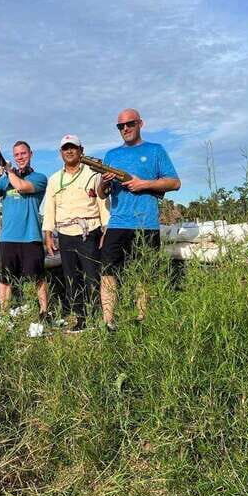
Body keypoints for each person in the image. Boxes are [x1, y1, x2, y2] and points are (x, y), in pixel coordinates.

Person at [97, 109, 181, 330]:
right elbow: (101, 193)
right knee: (107, 272)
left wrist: (143, 184)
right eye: (120, 126)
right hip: (117, 223)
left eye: (130, 124)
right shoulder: (111, 155)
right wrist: (105, 182)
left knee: (144, 275)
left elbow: (174, 182)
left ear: (140, 123)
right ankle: (109, 323)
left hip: (146, 224)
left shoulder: (155, 151)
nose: (125, 128)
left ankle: (142, 320)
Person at [42, 134, 110, 333]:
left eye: (73, 147)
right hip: (64, 232)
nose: (69, 151)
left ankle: (97, 314)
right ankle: (80, 317)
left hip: (89, 231)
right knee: (71, 276)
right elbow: (50, 208)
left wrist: (105, 228)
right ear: (61, 153)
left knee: (91, 275)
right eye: (65, 148)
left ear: (81, 150)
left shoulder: (93, 173)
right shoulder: (55, 179)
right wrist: (48, 233)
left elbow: (102, 202)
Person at [0, 140, 50, 319]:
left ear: (31, 154)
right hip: (7, 237)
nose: (20, 157)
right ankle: (4, 315)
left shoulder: (39, 178)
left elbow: (21, 186)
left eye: (23, 153)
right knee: (5, 278)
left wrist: (9, 171)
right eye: (17, 154)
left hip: (31, 236)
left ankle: (44, 312)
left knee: (37, 277)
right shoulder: (4, 181)